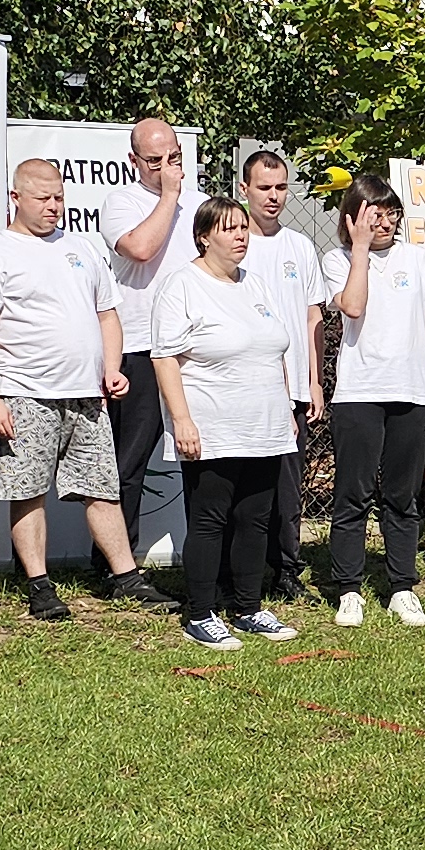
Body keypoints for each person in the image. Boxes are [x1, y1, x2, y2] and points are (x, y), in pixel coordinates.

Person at [0, 159, 143, 624]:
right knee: (28, 491)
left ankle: (126, 576)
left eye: (59, 197)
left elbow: (107, 315)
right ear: (16, 198)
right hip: (25, 393)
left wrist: (112, 368)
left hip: (87, 396)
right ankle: (39, 585)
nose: (53, 206)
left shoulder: (81, 248)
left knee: (102, 486)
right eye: (43, 198)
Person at [153, 196, 307, 650]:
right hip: (213, 426)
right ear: (204, 237)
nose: (241, 236)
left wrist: (284, 407)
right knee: (210, 520)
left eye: (243, 227)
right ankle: (200, 613)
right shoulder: (182, 286)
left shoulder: (254, 284)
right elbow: (164, 358)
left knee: (255, 520)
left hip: (265, 425)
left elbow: (274, 350)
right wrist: (181, 419)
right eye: (229, 229)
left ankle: (248, 607)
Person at [321, 171, 425, 629]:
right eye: (375, 214)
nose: (386, 222)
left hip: (411, 392)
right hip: (358, 391)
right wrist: (359, 250)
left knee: (402, 496)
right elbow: (353, 307)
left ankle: (402, 588)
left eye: (392, 213)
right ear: (353, 217)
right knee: (353, 495)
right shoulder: (336, 259)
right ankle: (349, 589)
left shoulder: (420, 260)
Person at [104, 118, 193, 572]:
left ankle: (206, 558)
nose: (165, 168)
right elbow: (139, 248)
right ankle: (119, 566)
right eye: (154, 161)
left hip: (193, 351)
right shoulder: (121, 202)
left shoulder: (201, 206)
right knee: (130, 461)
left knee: (203, 456)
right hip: (139, 345)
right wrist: (170, 197)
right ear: (133, 160)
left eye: (173, 158)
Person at [238, 150, 327, 601]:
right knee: (244, 485)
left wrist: (315, 380)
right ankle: (236, 573)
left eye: (280, 187)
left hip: (293, 387)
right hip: (246, 387)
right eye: (264, 188)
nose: (273, 196)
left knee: (288, 489)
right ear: (244, 190)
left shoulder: (300, 247)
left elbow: (313, 317)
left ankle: (286, 570)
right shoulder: (233, 245)